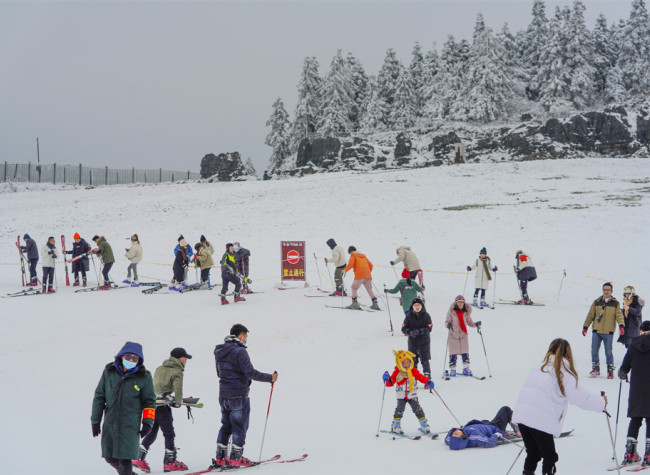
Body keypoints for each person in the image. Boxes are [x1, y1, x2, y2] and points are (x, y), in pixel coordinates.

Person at [512, 338, 607, 475]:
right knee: (549, 456)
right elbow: (578, 397)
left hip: (522, 416)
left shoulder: (539, 367)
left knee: (533, 453)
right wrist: (601, 403)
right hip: (540, 419)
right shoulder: (564, 372)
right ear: (568, 353)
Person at [208, 324, 277, 469]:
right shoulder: (240, 351)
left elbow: (219, 373)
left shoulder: (219, 351)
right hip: (238, 395)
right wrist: (270, 377)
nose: (246, 340)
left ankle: (221, 457)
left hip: (224, 395)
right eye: (245, 336)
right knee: (239, 426)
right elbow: (250, 372)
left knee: (226, 425)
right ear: (240, 336)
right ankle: (236, 458)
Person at [91, 341, 156, 475]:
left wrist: (148, 423)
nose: (131, 360)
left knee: (125, 459)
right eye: (128, 357)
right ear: (121, 356)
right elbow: (99, 396)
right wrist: (95, 420)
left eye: (135, 358)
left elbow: (149, 402)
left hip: (129, 425)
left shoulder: (144, 377)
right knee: (109, 456)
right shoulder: (109, 372)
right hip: (111, 423)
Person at [133, 347, 192, 473]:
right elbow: (178, 389)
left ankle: (138, 458)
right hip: (162, 407)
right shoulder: (177, 371)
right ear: (180, 358)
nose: (186, 360)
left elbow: (155, 385)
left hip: (151, 404)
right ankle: (170, 463)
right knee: (169, 433)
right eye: (185, 358)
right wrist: (177, 402)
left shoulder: (160, 368)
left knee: (152, 432)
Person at [617, 320, 650, 468]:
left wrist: (622, 374)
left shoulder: (633, 345)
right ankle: (648, 454)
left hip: (636, 389)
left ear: (641, 331)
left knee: (635, 420)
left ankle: (630, 453)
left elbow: (623, 370)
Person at [382, 349, 435, 435]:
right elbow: (390, 383)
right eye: (403, 363)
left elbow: (420, 377)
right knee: (400, 409)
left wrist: (427, 381)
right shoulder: (397, 372)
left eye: (407, 362)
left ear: (410, 362)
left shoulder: (413, 370)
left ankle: (424, 424)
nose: (406, 365)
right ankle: (395, 425)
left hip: (412, 394)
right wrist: (386, 379)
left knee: (417, 409)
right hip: (401, 395)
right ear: (399, 363)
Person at [582, 282, 625, 378]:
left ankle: (610, 370)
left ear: (611, 291)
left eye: (608, 290)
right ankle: (595, 369)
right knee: (594, 351)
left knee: (608, 352)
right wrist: (585, 327)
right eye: (605, 290)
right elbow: (590, 316)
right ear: (603, 290)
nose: (606, 291)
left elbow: (619, 316)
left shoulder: (615, 304)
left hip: (608, 332)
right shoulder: (596, 302)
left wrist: (621, 326)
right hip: (596, 331)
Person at [445, 406, 517, 450]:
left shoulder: (452, 440)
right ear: (463, 437)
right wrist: (496, 435)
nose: (454, 432)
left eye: (453, 435)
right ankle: (518, 428)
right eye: (456, 434)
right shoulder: (475, 436)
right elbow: (489, 442)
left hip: (485, 425)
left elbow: (447, 438)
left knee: (485, 420)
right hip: (496, 427)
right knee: (505, 409)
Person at [445, 295, 479, 377]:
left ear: (464, 303)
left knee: (465, 352)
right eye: (458, 302)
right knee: (453, 352)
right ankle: (452, 369)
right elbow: (446, 322)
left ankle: (466, 368)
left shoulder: (466, 313)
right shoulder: (451, 312)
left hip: (463, 334)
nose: (460, 304)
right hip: (453, 334)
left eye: (462, 302)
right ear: (456, 303)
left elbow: (470, 323)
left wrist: (476, 324)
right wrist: (448, 324)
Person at [400, 298, 432, 377]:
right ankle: (413, 377)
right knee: (412, 360)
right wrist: (409, 332)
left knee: (424, 360)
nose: (417, 307)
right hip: (412, 342)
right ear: (412, 306)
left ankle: (427, 377)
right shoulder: (408, 316)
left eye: (419, 305)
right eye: (415, 305)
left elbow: (429, 327)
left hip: (424, 341)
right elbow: (403, 328)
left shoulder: (426, 315)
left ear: (422, 306)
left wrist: (420, 331)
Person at [343, 246, 379, 310]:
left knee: (354, 288)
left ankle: (355, 304)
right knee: (369, 289)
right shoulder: (363, 256)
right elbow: (371, 265)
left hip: (360, 275)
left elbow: (351, 264)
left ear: (350, 251)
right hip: (367, 275)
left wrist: (345, 270)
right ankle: (375, 303)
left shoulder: (353, 255)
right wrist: (367, 272)